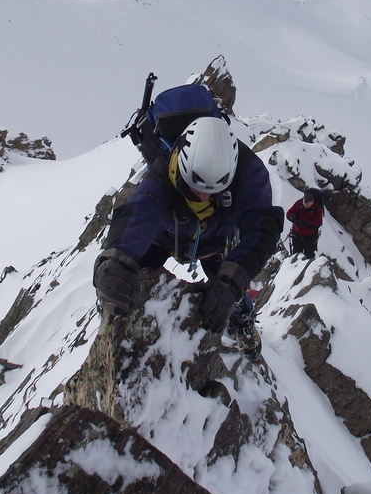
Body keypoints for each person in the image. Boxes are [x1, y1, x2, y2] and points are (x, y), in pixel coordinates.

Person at [94, 116, 284, 333]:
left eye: (213, 192)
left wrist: (231, 283)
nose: (204, 198)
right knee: (120, 281)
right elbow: (139, 211)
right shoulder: (165, 169)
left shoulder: (249, 173)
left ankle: (243, 325)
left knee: (229, 296)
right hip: (165, 237)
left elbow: (263, 228)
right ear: (181, 168)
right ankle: (113, 317)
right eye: (196, 188)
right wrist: (112, 260)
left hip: (216, 243)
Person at [286, 188, 324, 259]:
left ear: (312, 202)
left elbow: (317, 223)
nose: (305, 207)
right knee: (296, 255)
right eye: (304, 205)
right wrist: (293, 219)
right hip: (296, 235)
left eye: (308, 206)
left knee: (309, 256)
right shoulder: (299, 203)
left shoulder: (317, 208)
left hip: (309, 238)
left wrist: (304, 224)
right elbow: (288, 213)